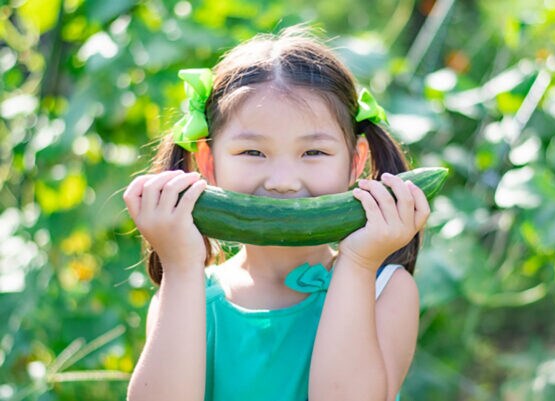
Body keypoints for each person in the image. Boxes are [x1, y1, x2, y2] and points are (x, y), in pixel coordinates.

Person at [124, 25, 430, 401]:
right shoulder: (190, 292)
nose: (283, 182)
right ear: (208, 162)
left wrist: (359, 264)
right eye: (253, 153)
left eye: (313, 153)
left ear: (355, 164)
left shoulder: (386, 289)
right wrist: (181, 266)